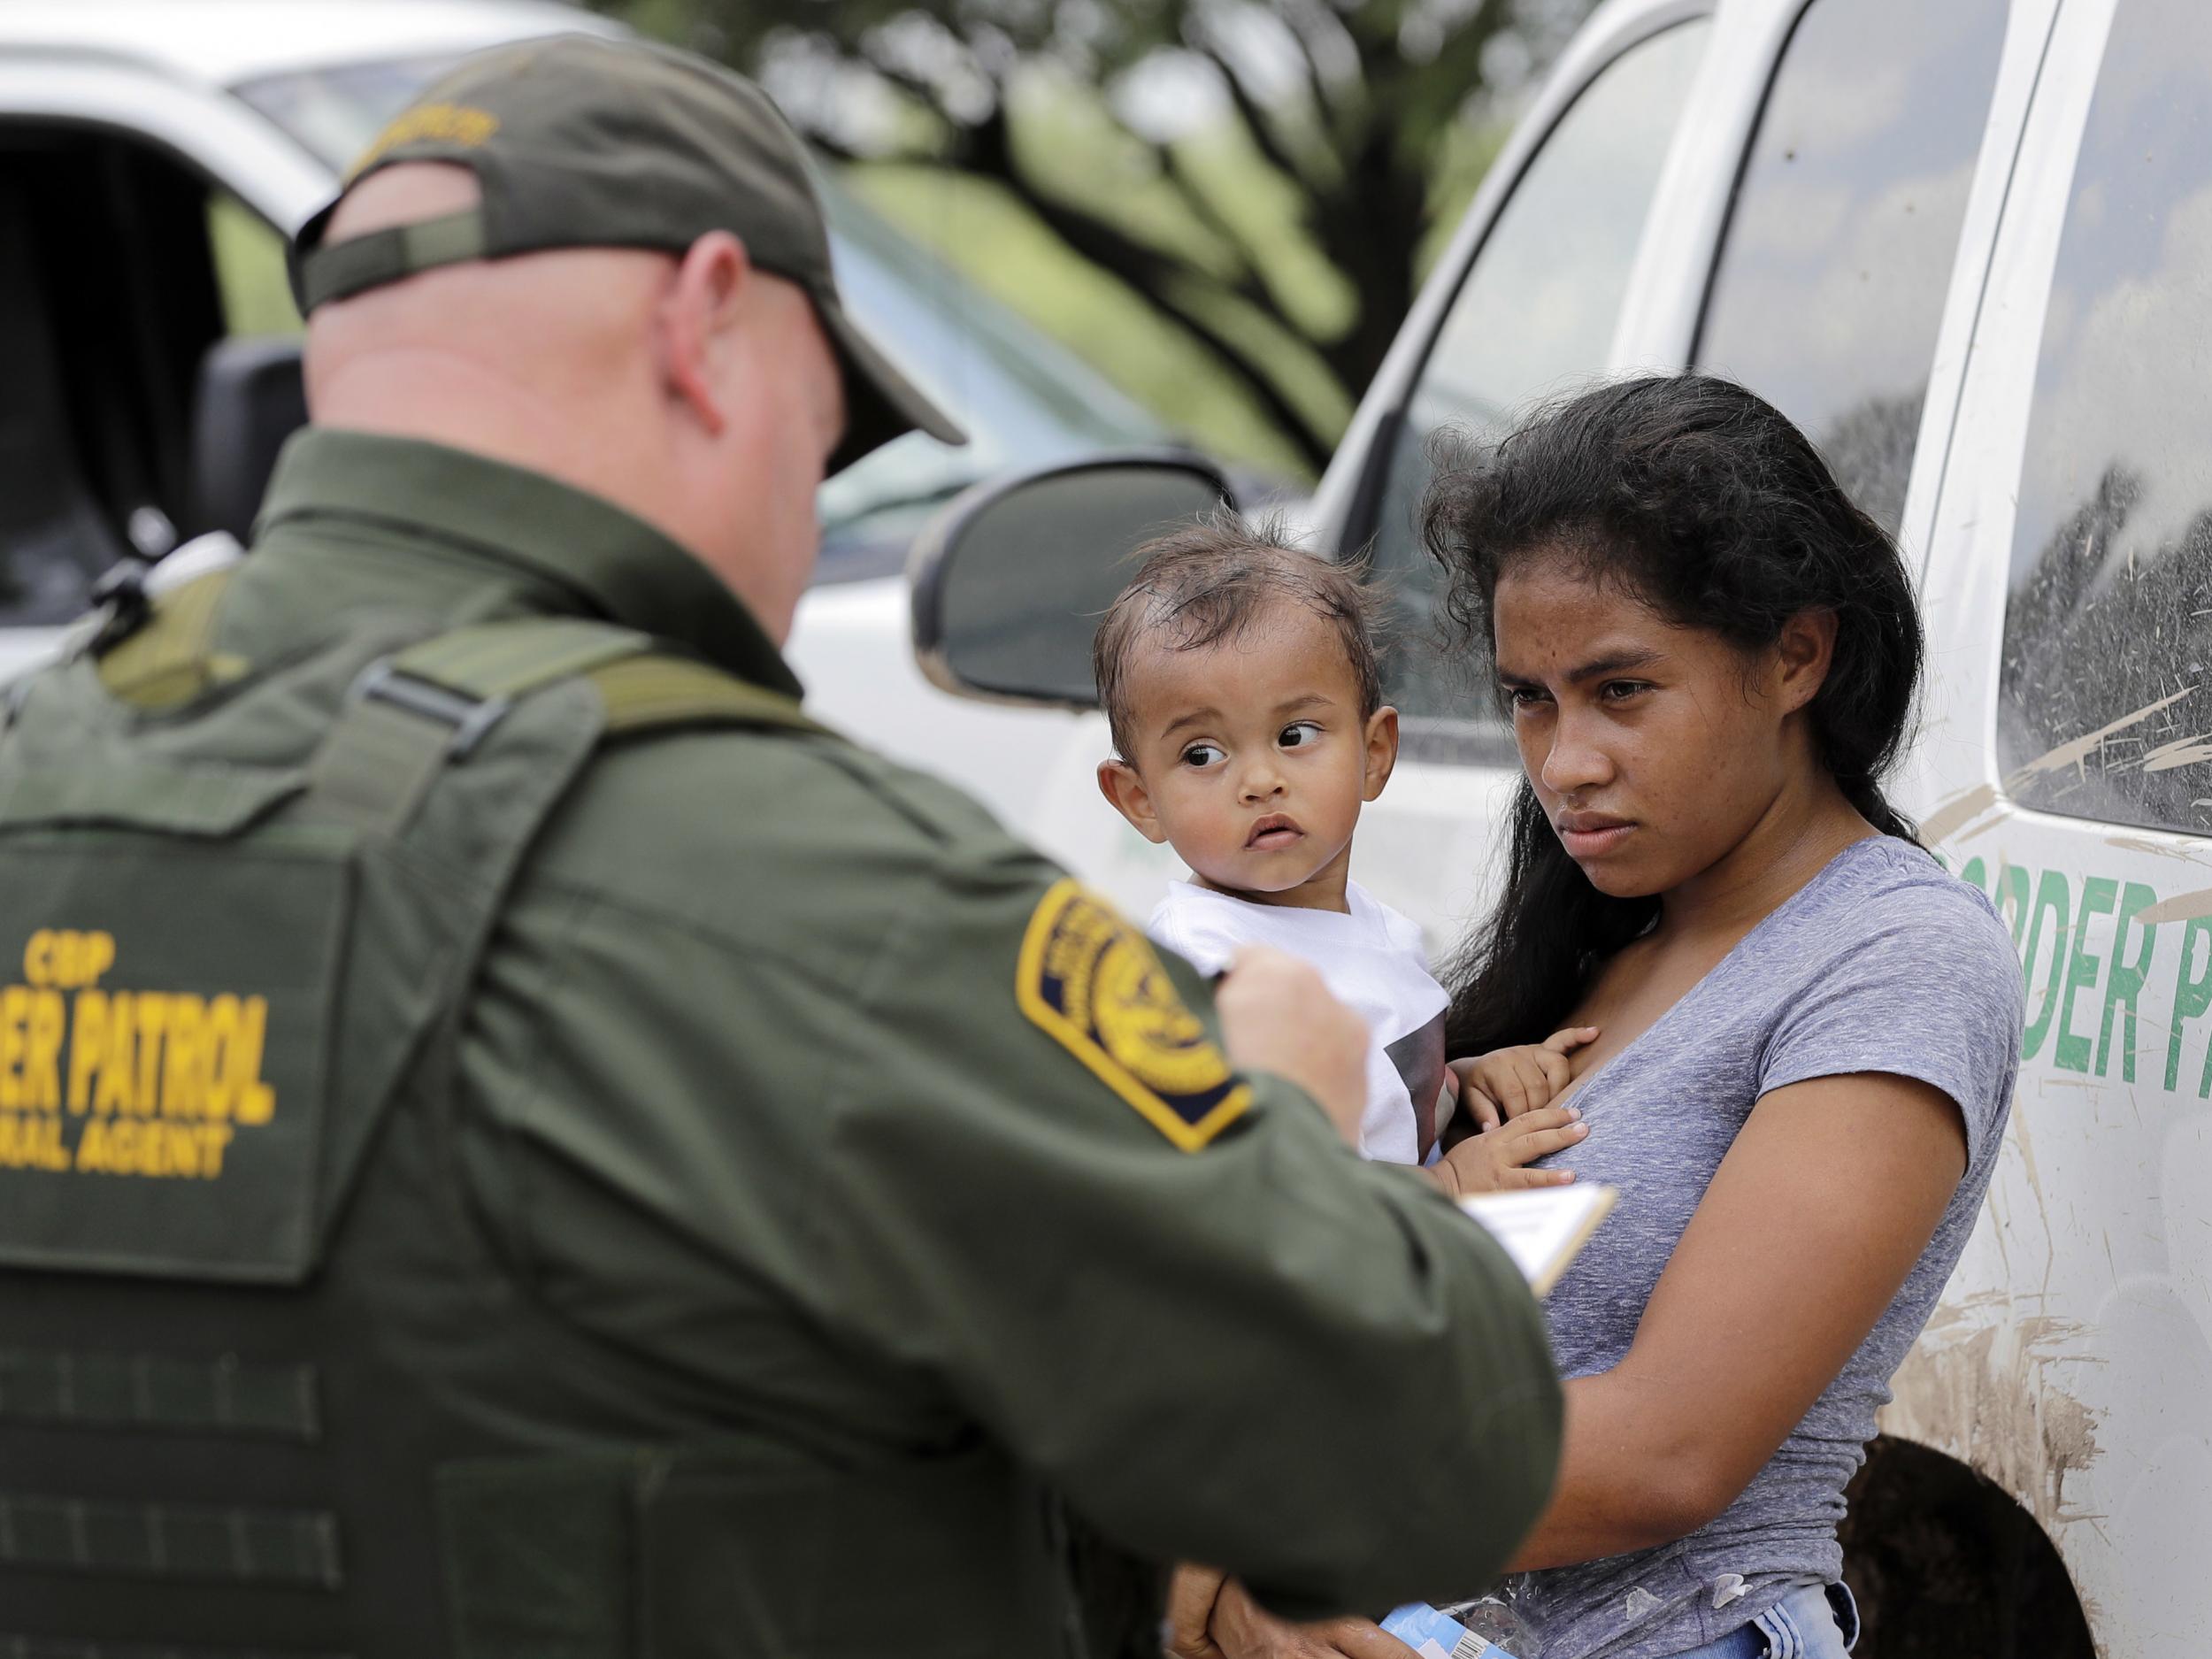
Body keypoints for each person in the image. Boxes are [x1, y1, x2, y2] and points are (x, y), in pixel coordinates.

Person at [0, 35, 1567, 1658]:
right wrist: (1285, 1133)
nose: (808, 528)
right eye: (821, 440)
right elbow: (1434, 1452)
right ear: (703, 326)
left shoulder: (37, 773)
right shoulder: (811, 883)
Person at [1188, 374, 2024, 1659]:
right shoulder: (1588, 941)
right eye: (1533, 697)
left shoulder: (1895, 954)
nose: (1565, 759)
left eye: (1622, 689)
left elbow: (1666, 1451)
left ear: (1796, 653)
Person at [1092, 515, 1597, 1181]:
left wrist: (1463, 1082)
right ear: (1140, 799)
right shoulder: (1212, 973)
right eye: (1202, 753)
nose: (1260, 780)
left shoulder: (1367, 925)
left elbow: (1377, 1101)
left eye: (1295, 735)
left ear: (1375, 753)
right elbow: (1279, 1193)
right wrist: (1446, 1185)